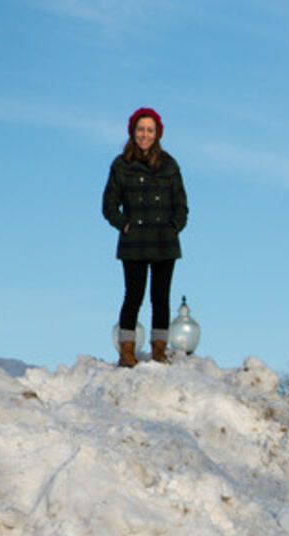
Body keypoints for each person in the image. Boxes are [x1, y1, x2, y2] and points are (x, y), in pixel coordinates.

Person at [102, 107, 188, 368]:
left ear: (157, 133)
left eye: (150, 130)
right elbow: (108, 204)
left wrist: (175, 226)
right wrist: (123, 225)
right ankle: (126, 351)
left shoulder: (169, 165)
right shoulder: (120, 165)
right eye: (141, 129)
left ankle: (159, 350)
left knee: (161, 297)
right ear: (133, 132)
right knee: (133, 295)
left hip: (164, 239)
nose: (145, 135)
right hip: (134, 240)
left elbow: (181, 204)